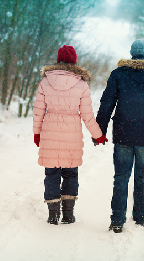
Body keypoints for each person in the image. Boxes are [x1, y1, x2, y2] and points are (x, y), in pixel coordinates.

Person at [96, 40, 144, 233]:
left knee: (121, 177)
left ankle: (117, 220)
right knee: (142, 177)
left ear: (132, 54)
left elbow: (107, 103)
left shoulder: (118, 74)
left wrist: (99, 130)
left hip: (123, 132)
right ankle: (139, 217)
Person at [33, 45, 108, 225]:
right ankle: (68, 214)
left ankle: (52, 215)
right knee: (70, 174)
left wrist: (37, 133)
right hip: (72, 135)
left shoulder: (45, 82)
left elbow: (38, 112)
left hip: (50, 133)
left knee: (51, 174)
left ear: (58, 60)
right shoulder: (81, 84)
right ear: (74, 61)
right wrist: (98, 135)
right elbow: (87, 115)